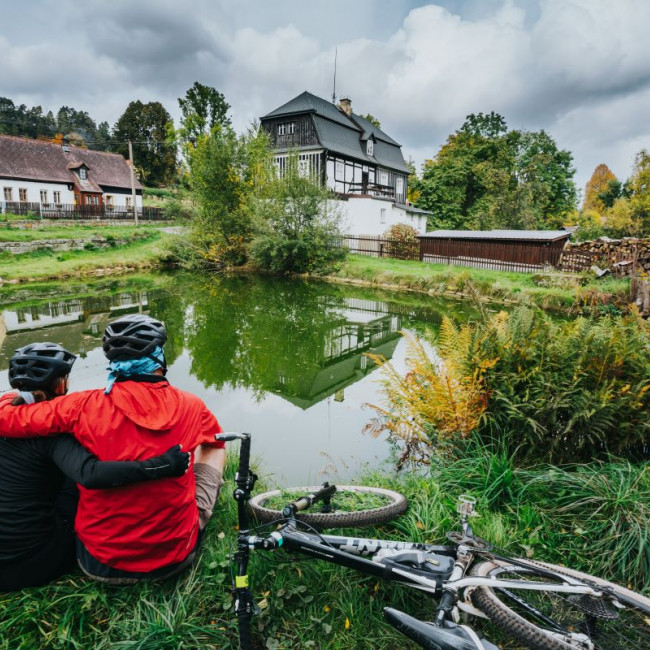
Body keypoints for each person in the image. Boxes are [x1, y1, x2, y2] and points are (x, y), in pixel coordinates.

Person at [0, 315, 225, 584]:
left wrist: (14, 398)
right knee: (212, 447)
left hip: (99, 563)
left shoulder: (78, 407)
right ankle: (193, 516)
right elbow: (215, 440)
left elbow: (9, 419)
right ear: (159, 357)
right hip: (176, 556)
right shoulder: (192, 405)